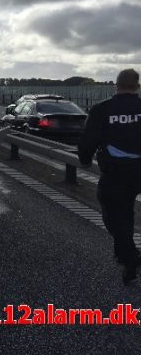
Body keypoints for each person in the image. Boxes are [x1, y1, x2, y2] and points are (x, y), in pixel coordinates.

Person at [78, 69, 141, 285]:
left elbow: (88, 140)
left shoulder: (102, 109)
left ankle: (131, 256)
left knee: (111, 215)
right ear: (137, 86)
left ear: (116, 85)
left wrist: (85, 159)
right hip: (138, 172)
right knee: (126, 209)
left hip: (115, 172)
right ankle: (123, 254)